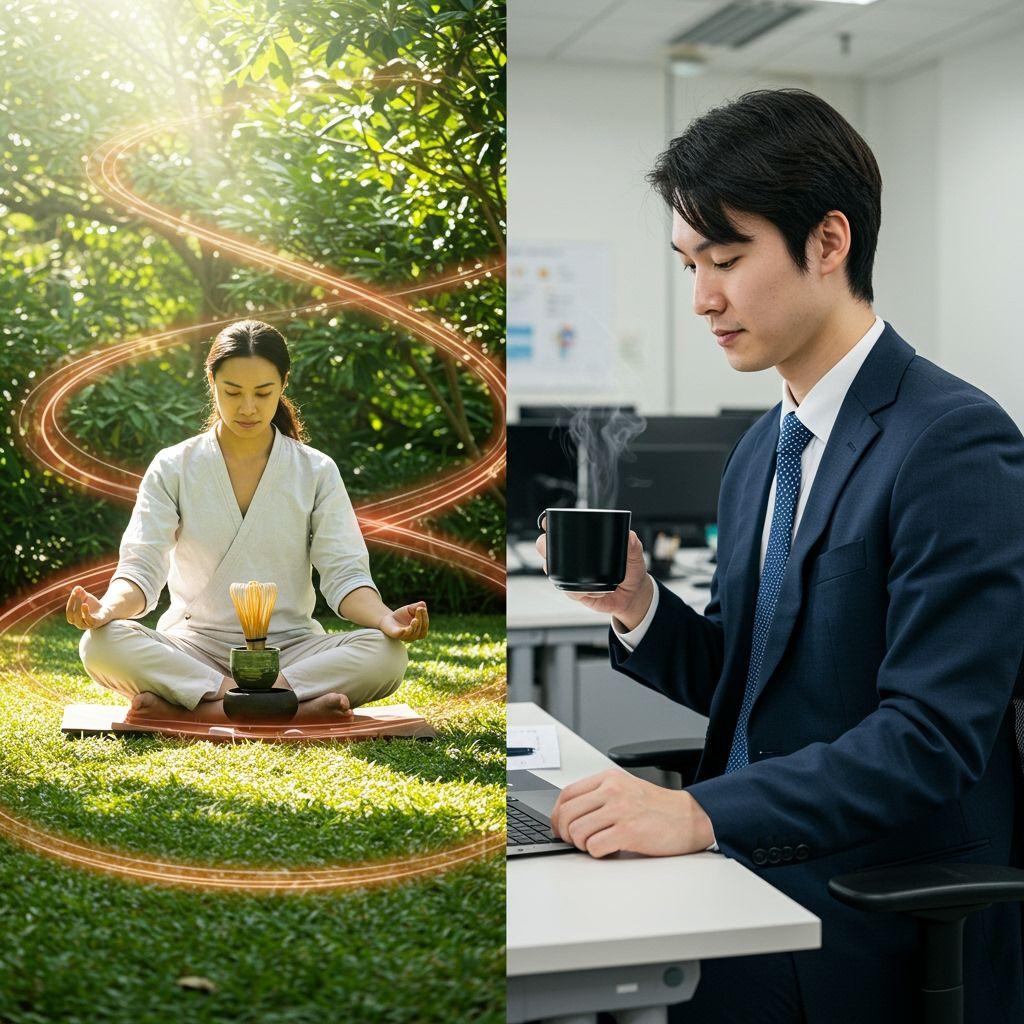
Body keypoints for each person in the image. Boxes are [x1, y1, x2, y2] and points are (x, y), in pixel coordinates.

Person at [536, 89, 1024, 1023]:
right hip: (739, 864)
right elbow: (751, 682)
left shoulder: (954, 442)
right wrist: (639, 606)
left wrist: (705, 813)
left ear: (829, 242)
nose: (701, 299)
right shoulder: (766, 448)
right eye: (688, 265)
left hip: (868, 898)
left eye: (725, 259)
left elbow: (932, 736)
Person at [69, 319, 429, 725]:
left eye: (263, 393)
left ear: (283, 385)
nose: (248, 408)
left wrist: (385, 619)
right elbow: (141, 567)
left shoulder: (316, 470)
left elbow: (344, 573)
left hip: (289, 652)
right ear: (212, 382)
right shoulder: (174, 466)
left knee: (387, 655)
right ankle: (284, 706)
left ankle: (193, 708)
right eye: (233, 392)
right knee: (101, 644)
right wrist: (106, 610)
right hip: (194, 649)